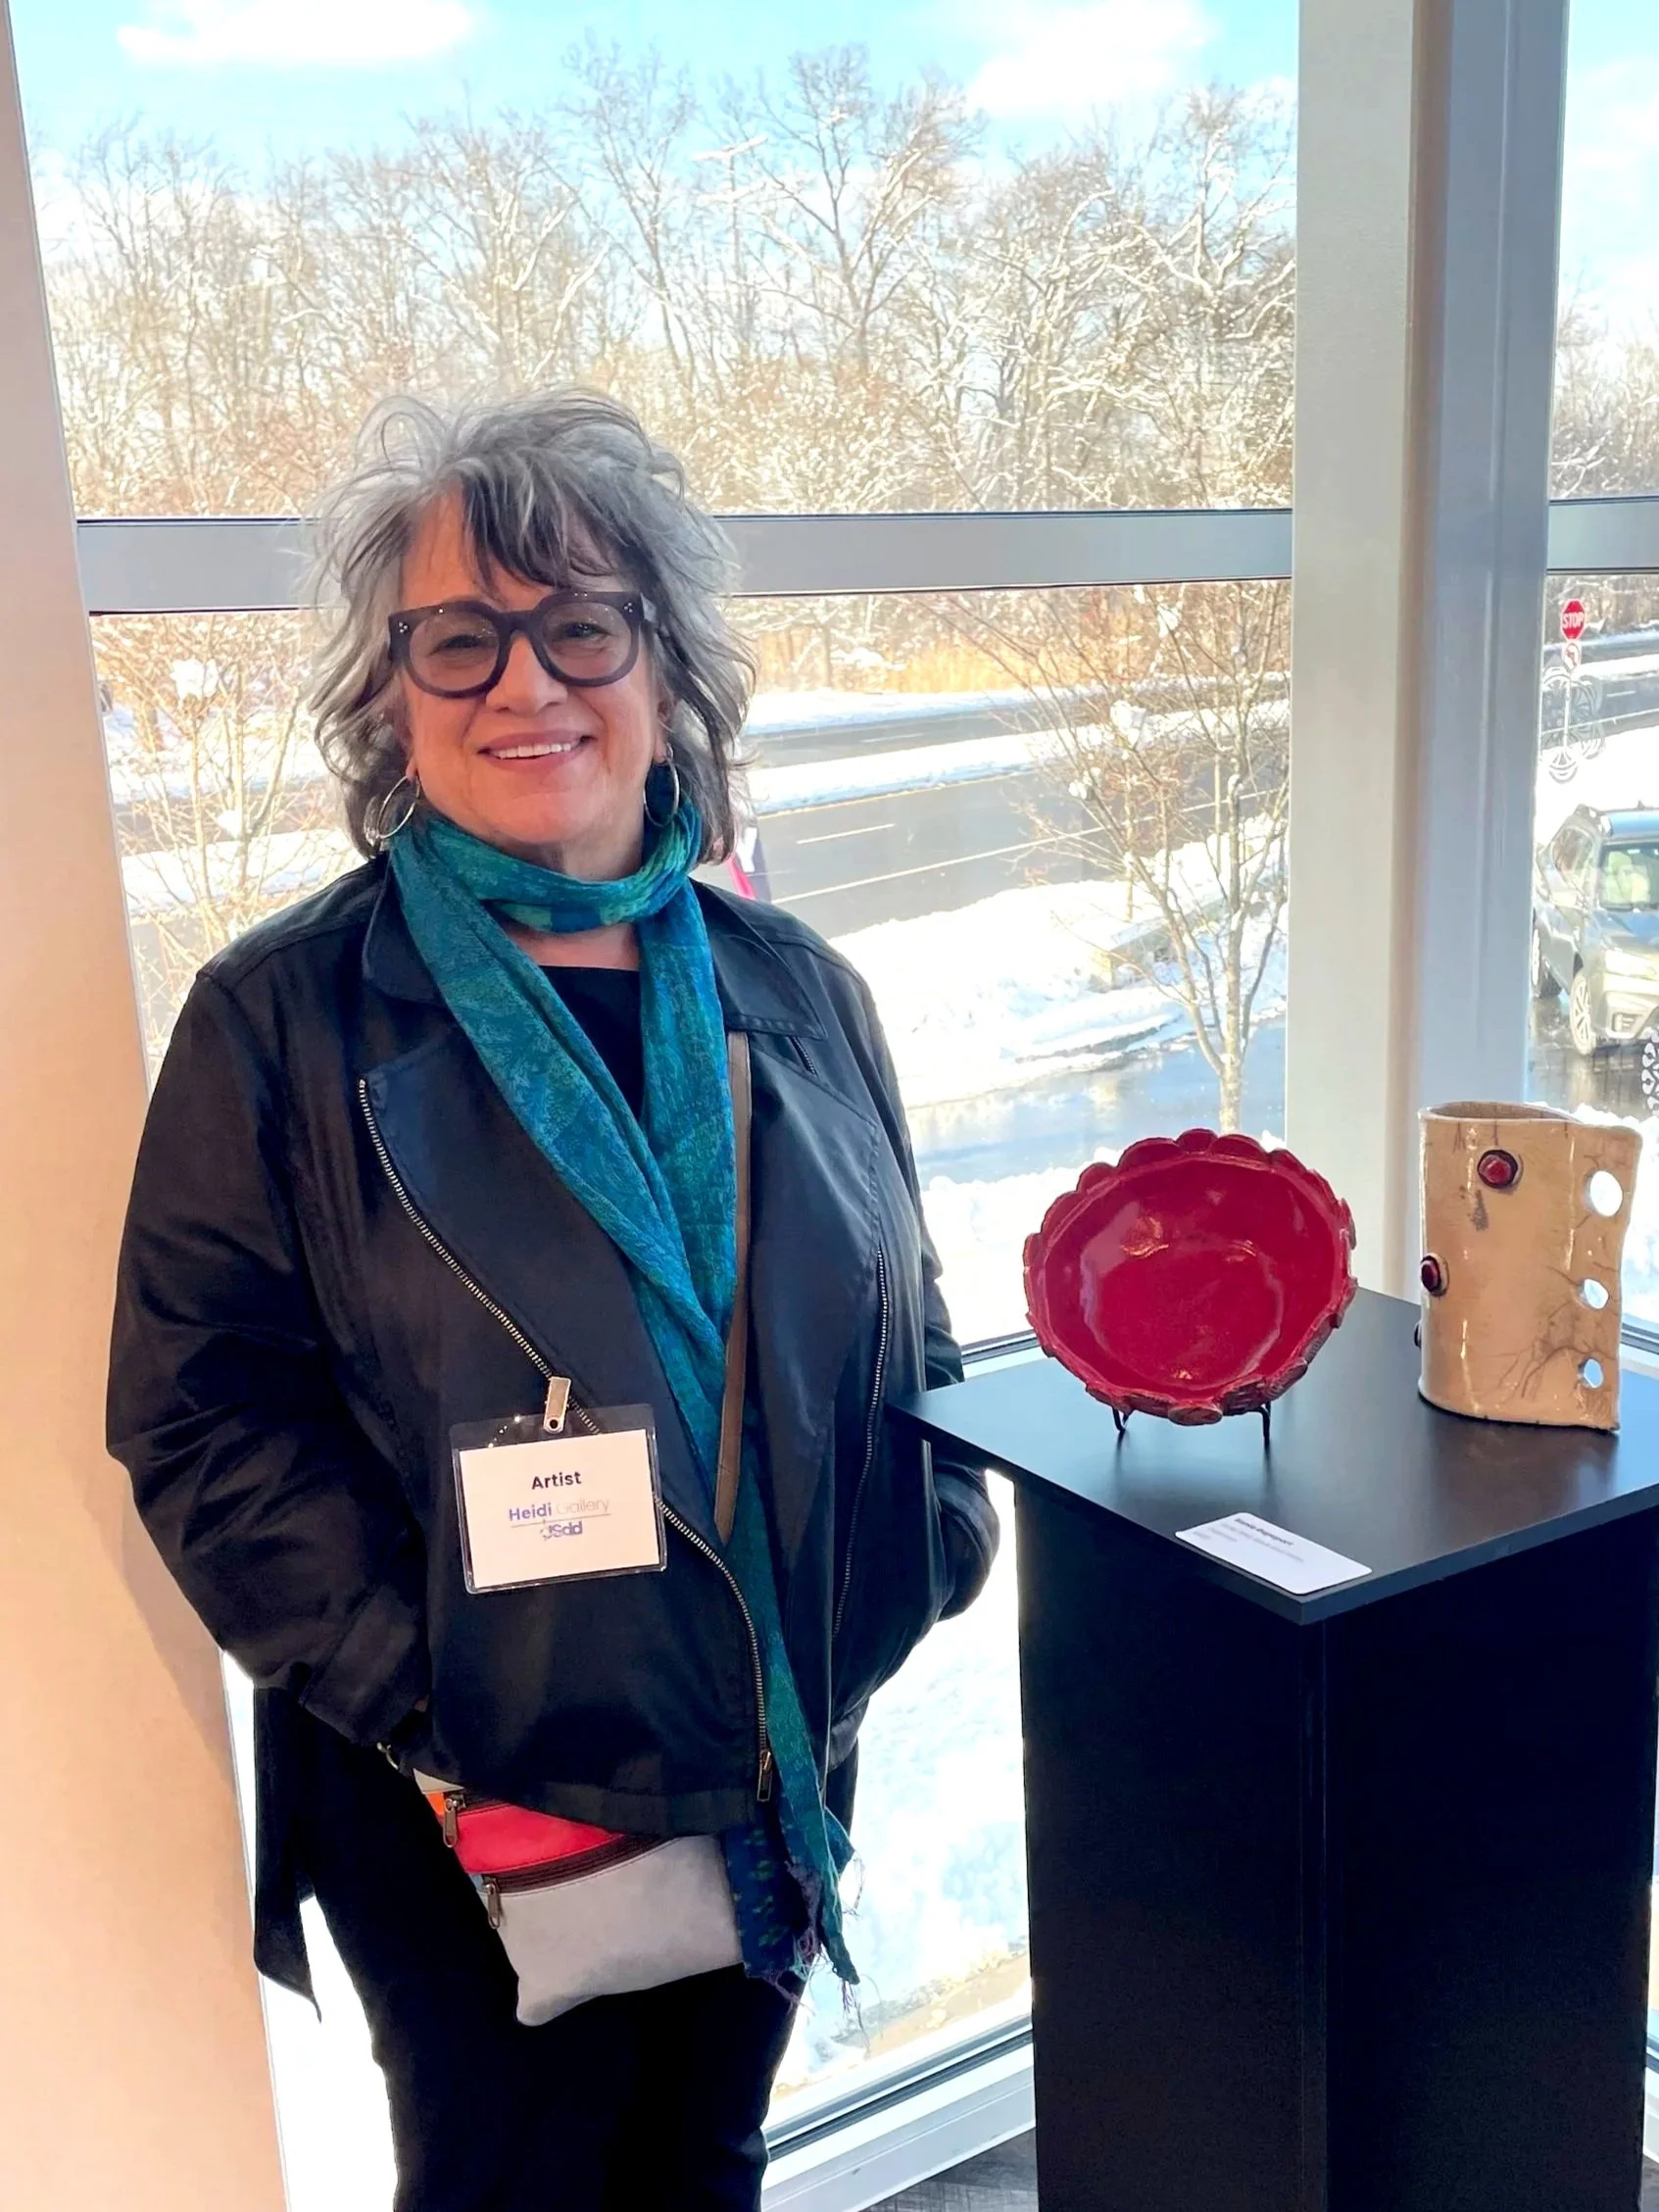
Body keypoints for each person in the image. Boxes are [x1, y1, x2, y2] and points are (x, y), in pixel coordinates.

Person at [107, 390, 998, 2212]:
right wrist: (444, 1700)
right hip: (462, 1799)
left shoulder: (796, 989)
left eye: (580, 625)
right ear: (391, 696)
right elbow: (202, 1415)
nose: (529, 684)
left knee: (704, 2165)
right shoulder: (281, 1020)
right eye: (461, 638)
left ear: (663, 669)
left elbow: (907, 1329)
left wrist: (922, 1558)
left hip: (764, 1749)